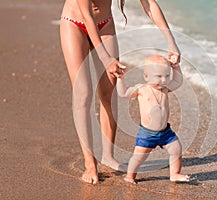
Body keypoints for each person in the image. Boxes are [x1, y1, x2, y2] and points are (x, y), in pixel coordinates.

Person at [60, 0, 181, 184]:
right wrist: (106, 59)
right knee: (83, 94)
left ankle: (108, 155)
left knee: (109, 92)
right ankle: (90, 163)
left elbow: (149, 5)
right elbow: (87, 16)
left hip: (105, 24)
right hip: (75, 24)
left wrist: (171, 43)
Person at [116, 55, 189, 184]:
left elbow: (178, 81)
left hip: (165, 132)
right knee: (139, 157)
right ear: (146, 76)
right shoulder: (142, 89)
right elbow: (124, 93)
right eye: (159, 77)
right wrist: (120, 79)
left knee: (176, 149)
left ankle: (175, 174)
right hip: (147, 134)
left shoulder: (165, 88)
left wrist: (176, 67)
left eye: (167, 76)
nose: (164, 80)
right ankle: (130, 176)